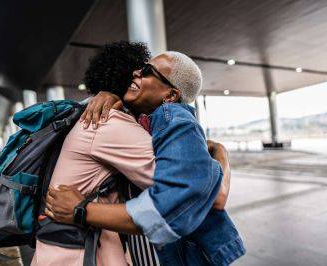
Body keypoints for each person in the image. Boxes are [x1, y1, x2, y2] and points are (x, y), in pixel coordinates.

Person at [45, 43, 245, 265]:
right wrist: (220, 152)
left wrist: (82, 210)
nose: (136, 72)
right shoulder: (117, 121)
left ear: (171, 95)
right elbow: (211, 194)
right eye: (138, 68)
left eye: (147, 71)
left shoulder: (170, 119)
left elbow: (199, 193)